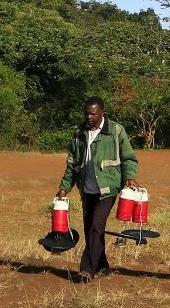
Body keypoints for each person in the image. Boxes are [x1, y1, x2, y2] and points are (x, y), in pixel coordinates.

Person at [56, 97, 138, 282]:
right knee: (91, 229)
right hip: (86, 189)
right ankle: (102, 266)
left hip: (108, 189)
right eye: (86, 113)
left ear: (103, 113)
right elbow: (72, 164)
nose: (89, 117)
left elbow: (129, 158)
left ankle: (86, 270)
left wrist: (130, 177)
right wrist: (64, 187)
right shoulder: (79, 133)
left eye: (93, 113)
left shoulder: (116, 131)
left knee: (96, 227)